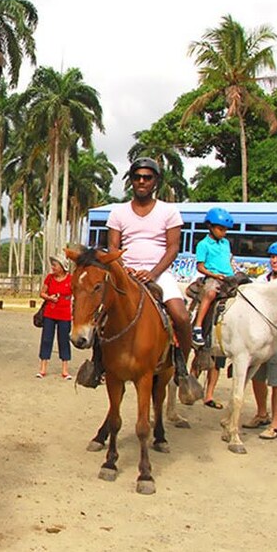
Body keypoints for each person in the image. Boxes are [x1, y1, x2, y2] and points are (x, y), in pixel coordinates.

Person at [81, 157, 203, 403]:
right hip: (125, 274)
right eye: (137, 177)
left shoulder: (169, 211)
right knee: (102, 313)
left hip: (159, 273)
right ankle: (97, 365)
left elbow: (172, 248)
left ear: (155, 181)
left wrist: (153, 272)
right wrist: (123, 270)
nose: (142, 181)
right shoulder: (119, 212)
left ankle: (182, 368)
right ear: (131, 181)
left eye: (147, 177)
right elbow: (113, 247)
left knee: (180, 315)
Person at [241, 241, 277, 440]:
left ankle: (275, 424)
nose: (274, 260)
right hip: (259, 334)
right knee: (257, 376)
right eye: (272, 257)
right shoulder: (262, 280)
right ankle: (261, 413)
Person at [191, 207, 236, 347]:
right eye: (221, 229)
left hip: (229, 277)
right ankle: (197, 327)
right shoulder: (203, 245)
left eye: (226, 230)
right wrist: (215, 275)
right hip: (213, 277)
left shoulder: (226, 243)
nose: (224, 232)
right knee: (210, 293)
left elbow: (227, 260)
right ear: (210, 226)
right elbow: (200, 267)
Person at [37, 255, 73, 379]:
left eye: (55, 265)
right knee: (46, 339)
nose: (53, 267)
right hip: (50, 313)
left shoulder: (70, 279)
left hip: (65, 314)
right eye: (52, 265)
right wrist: (49, 298)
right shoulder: (49, 278)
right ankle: (42, 368)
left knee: (64, 340)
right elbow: (42, 292)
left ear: (62, 267)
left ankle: (65, 369)